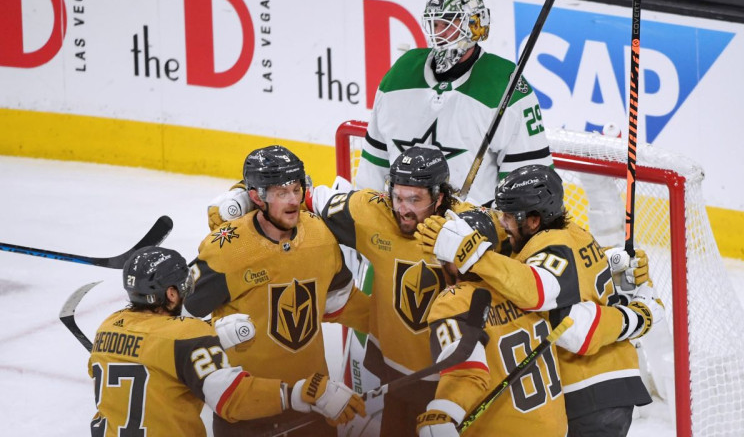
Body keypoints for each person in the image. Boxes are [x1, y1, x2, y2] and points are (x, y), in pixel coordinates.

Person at [418, 164, 664, 436]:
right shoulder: (572, 232)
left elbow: (560, 313)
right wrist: (611, 258)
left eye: (509, 216)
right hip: (609, 383)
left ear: (534, 220)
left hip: (590, 390)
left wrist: (474, 254)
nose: (502, 223)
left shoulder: (547, 249)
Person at [185, 145, 370, 436]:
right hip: (247, 413)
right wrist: (214, 333)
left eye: (296, 189)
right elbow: (179, 320)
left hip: (315, 401)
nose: (294, 200)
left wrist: (408, 334)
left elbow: (344, 303)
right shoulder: (228, 250)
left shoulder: (320, 236)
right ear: (256, 196)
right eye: (282, 193)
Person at [89, 246, 363, 436]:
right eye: (183, 285)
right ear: (171, 294)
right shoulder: (187, 338)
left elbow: (155, 343)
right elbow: (232, 400)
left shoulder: (107, 326)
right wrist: (300, 393)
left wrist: (211, 332)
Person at [318, 146, 497, 437]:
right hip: (396, 375)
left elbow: (523, 250)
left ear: (439, 197)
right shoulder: (373, 212)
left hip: (456, 380)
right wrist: (240, 198)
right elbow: (311, 199)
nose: (402, 208)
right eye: (398, 197)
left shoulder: (472, 228)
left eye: (414, 199)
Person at [354, 0, 552, 206]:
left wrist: (489, 228)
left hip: (472, 232)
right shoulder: (401, 75)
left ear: (474, 25)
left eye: (448, 24)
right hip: (402, 222)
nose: (439, 33)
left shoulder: (506, 85)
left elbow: (530, 187)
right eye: (436, 24)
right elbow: (372, 173)